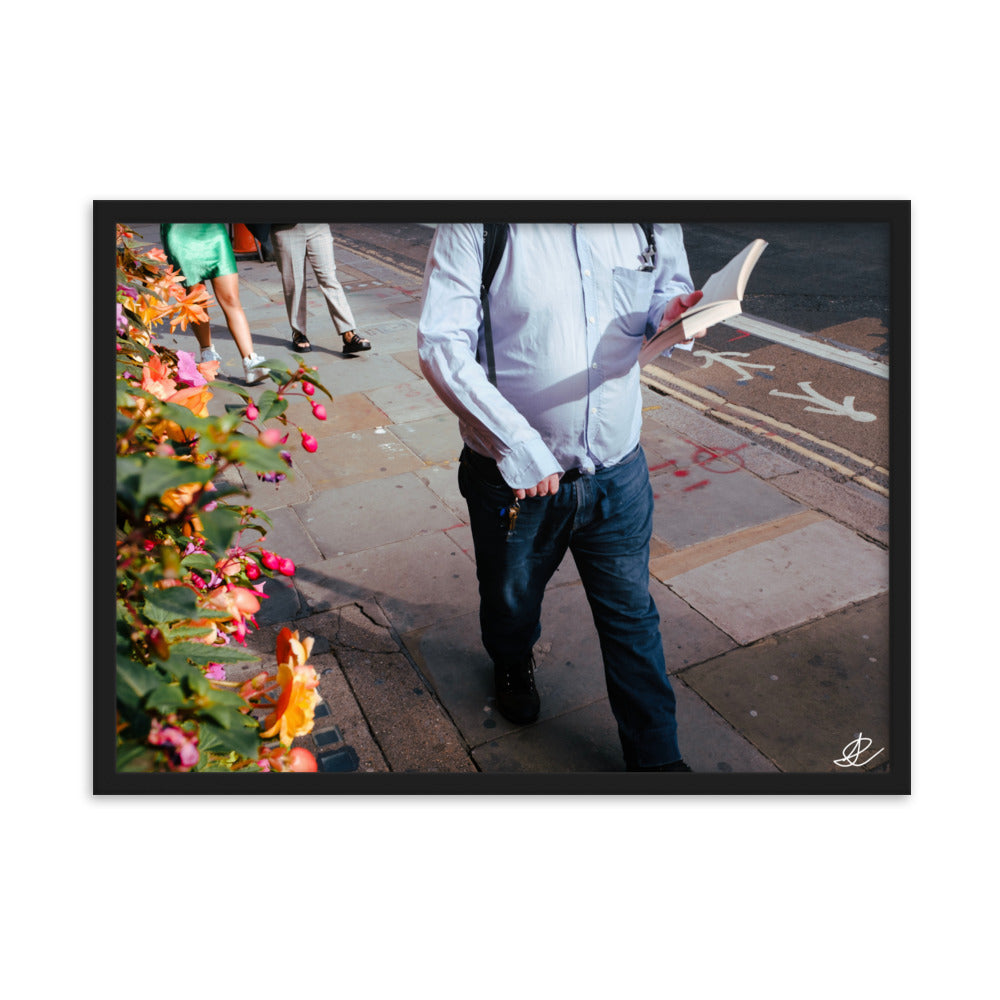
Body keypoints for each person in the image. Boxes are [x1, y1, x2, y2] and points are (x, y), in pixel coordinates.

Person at [417, 223, 705, 772]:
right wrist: (517, 444)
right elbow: (441, 344)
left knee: (632, 618)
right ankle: (511, 657)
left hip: (618, 471)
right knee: (510, 601)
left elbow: (666, 287)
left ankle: (657, 761)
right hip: (516, 482)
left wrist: (672, 313)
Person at [159, 223, 268, 385]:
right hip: (179, 231)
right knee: (196, 296)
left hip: (213, 229)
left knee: (231, 297)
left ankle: (250, 361)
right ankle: (207, 352)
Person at [269, 223, 370, 355]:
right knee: (294, 283)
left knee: (329, 279)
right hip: (286, 228)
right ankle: (299, 333)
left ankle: (348, 333)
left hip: (318, 226)